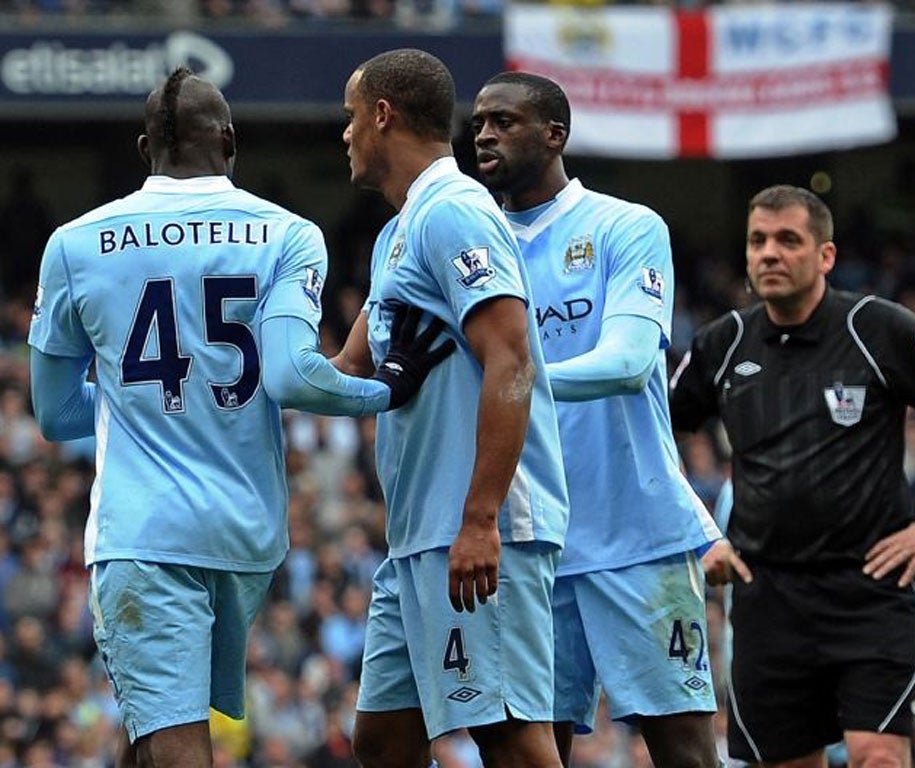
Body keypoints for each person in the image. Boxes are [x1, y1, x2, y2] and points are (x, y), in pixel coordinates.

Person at [27, 67, 452, 768]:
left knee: (170, 738)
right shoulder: (288, 234)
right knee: (158, 732)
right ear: (229, 140)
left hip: (145, 531)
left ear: (143, 149)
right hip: (245, 533)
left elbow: (54, 411)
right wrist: (386, 389)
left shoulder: (74, 244)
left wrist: (137, 405)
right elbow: (290, 374)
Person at [670, 184, 915, 767]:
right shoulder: (723, 344)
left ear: (825, 256)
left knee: (877, 757)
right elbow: (651, 436)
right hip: (767, 597)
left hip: (868, 592)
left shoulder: (875, 328)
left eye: (788, 240)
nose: (769, 254)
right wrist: (697, 534)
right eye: (758, 241)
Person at [472, 71, 722, 768]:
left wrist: (509, 382)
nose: (486, 133)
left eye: (505, 121)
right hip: (528, 541)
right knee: (529, 752)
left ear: (556, 134)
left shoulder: (625, 226)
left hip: (634, 533)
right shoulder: (471, 243)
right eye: (480, 123)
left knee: (685, 750)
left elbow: (629, 359)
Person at [331, 50, 570, 768]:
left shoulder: (455, 212)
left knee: (508, 736)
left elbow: (511, 356)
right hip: (417, 538)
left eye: (350, 116)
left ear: (382, 115)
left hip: (473, 529)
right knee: (384, 739)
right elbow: (345, 371)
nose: (344, 135)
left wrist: (481, 518)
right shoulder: (397, 232)